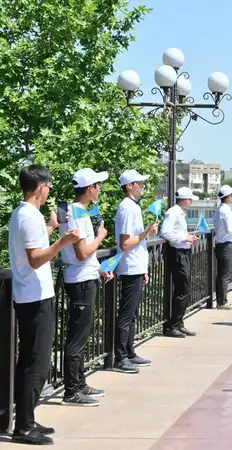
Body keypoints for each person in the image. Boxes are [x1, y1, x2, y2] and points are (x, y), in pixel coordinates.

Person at [8, 165, 80, 445]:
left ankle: (27, 416)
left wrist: (51, 227)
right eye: (48, 184)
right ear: (40, 187)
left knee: (34, 359)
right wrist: (63, 242)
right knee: (35, 363)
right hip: (32, 297)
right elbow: (36, 258)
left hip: (35, 295)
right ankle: (23, 427)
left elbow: (35, 249)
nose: (50, 189)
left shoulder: (29, 215)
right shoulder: (27, 216)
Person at [60, 168, 114, 406]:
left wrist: (99, 267)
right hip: (81, 279)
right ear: (90, 188)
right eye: (98, 185)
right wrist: (101, 235)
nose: (100, 189)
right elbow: (82, 253)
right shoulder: (79, 215)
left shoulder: (69, 211)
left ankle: (79, 384)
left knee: (80, 334)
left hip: (81, 276)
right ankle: (71, 390)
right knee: (78, 337)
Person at [114, 169, 159, 374]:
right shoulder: (127, 208)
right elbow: (125, 243)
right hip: (130, 266)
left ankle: (129, 352)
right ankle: (120, 356)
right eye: (139, 183)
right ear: (129, 185)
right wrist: (146, 233)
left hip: (136, 266)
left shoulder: (133, 207)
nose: (142, 186)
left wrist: (144, 267)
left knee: (132, 314)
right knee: (126, 313)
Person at [161, 187, 200, 339]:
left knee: (183, 289)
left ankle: (178, 323)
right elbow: (166, 232)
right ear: (185, 199)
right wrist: (184, 238)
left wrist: (186, 237)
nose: (190, 202)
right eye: (189, 199)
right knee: (183, 289)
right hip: (177, 254)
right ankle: (172, 325)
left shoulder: (179, 213)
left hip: (183, 252)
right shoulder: (173, 212)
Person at [214, 185, 232, 309]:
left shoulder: (219, 209)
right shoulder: (226, 210)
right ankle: (222, 301)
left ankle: (221, 299)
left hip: (221, 244)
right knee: (225, 273)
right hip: (226, 244)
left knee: (222, 273)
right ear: (228, 197)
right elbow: (229, 229)